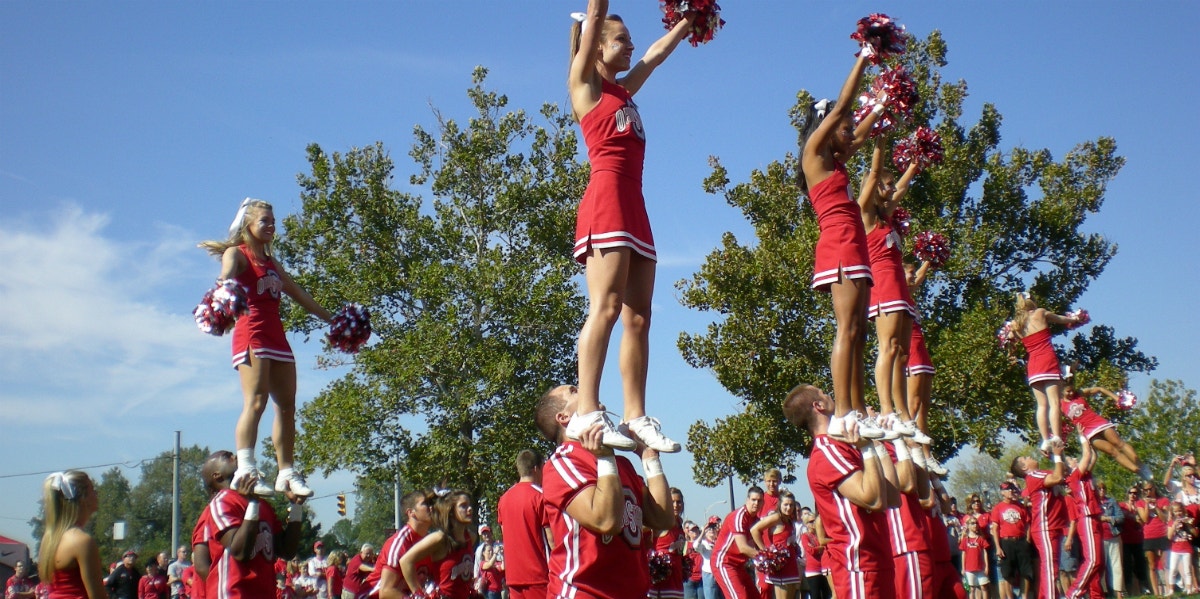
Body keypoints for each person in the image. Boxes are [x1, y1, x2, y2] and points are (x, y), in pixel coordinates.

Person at [564, 0, 698, 453]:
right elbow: (596, 12)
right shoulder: (585, 86)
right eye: (621, 39)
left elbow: (656, 55)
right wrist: (596, 15)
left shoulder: (625, 90)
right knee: (607, 306)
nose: (631, 45)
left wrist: (688, 22)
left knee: (638, 318)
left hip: (636, 205)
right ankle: (586, 408)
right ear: (595, 44)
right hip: (605, 202)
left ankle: (636, 415)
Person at [199, 198, 335, 497]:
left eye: (273, 221)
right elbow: (225, 275)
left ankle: (286, 472)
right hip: (251, 334)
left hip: (277, 337)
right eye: (265, 221)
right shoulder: (238, 254)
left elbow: (298, 292)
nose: (271, 226)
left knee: (287, 406)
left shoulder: (272, 263)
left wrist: (332, 319)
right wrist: (223, 287)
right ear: (248, 224)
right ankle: (246, 466)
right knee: (256, 401)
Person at [796, 39, 890, 442]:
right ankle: (844, 410)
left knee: (859, 333)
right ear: (827, 127)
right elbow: (842, 108)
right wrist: (864, 58)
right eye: (844, 127)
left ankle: (858, 406)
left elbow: (859, 135)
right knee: (846, 328)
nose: (850, 132)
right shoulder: (814, 153)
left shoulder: (835, 160)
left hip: (854, 246)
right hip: (837, 247)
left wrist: (882, 107)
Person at [536, 383, 676, 599]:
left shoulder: (621, 464)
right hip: (585, 593)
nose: (584, 388)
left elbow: (663, 518)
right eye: (573, 390)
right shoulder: (563, 461)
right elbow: (604, 521)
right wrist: (605, 458)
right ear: (564, 418)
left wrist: (649, 457)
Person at [782, 383, 897, 598]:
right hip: (859, 565)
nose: (830, 395)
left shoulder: (842, 445)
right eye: (824, 393)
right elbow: (873, 499)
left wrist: (876, 444)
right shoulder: (827, 451)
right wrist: (866, 448)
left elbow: (892, 497)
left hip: (877, 560)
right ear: (819, 405)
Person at [858, 143, 928, 442]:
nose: (890, 188)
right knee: (887, 347)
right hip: (884, 287)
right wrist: (880, 142)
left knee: (900, 352)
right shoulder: (867, 215)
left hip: (900, 287)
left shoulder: (887, 218)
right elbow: (876, 177)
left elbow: (899, 190)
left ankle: (901, 414)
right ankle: (886, 409)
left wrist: (914, 165)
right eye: (885, 185)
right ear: (875, 188)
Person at [201, 449, 304, 599]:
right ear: (217, 475)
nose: (235, 456)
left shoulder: (263, 505)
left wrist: (296, 506)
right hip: (234, 593)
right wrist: (252, 504)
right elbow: (240, 552)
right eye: (227, 457)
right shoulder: (222, 502)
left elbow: (287, 551)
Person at [1007, 292, 1085, 452]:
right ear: (1033, 302)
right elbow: (1061, 319)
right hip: (1047, 361)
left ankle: (1044, 439)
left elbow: (1009, 342)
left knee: (1041, 405)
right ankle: (1056, 436)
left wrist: (1011, 353)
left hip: (1033, 366)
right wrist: (1075, 319)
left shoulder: (1015, 324)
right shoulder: (1040, 312)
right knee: (1054, 403)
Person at [1060, 367, 1151, 477]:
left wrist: (1115, 398)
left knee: (1119, 444)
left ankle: (1141, 466)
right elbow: (1059, 422)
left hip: (1098, 422)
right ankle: (1138, 471)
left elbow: (1099, 389)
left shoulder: (1079, 393)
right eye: (1068, 391)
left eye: (1072, 390)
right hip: (1087, 432)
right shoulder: (1060, 405)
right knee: (1112, 451)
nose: (1071, 393)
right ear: (1061, 391)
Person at [903, 260, 948, 475]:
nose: (913, 277)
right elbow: (917, 279)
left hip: (921, 346)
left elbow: (918, 278)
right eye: (908, 273)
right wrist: (928, 259)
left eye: (913, 272)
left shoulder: (909, 292)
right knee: (913, 404)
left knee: (924, 405)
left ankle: (927, 454)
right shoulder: (900, 290)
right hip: (910, 348)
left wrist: (929, 260)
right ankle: (908, 449)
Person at [1011, 441, 1068, 599]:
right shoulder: (1033, 476)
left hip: (1052, 526)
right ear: (1024, 467)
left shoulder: (1040, 473)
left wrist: (1056, 455)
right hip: (1045, 527)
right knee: (1051, 568)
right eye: (1026, 458)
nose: (1030, 456)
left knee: (1050, 567)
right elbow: (1057, 477)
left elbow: (1062, 473)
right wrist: (1056, 455)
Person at [37, 471, 105, 599]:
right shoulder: (81, 541)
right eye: (92, 490)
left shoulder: (50, 539)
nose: (96, 494)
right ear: (82, 498)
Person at [495, 449, 548, 599]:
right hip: (539, 575)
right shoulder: (540, 496)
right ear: (536, 468)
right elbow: (552, 538)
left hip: (514, 576)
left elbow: (505, 536)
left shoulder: (504, 499)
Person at [364, 490, 434, 598]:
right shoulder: (400, 542)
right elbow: (386, 591)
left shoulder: (431, 542)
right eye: (425, 504)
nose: (431, 507)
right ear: (411, 512)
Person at [1064, 437, 1104, 599]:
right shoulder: (1074, 476)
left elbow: (1092, 457)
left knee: (1098, 561)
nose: (1075, 459)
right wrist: (1082, 437)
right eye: (1072, 459)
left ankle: (1096, 595)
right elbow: (1086, 455)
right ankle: (1073, 593)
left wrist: (1092, 440)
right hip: (1085, 517)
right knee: (1092, 559)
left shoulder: (1084, 474)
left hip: (1094, 517)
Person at [749, 490, 801, 599]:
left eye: (791, 505)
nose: (788, 507)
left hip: (791, 562)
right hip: (781, 565)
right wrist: (765, 552)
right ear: (780, 504)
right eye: (785, 504)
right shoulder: (777, 517)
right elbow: (754, 530)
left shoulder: (789, 520)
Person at [990, 481, 1033, 599]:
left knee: (1025, 572)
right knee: (1008, 573)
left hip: (1021, 541)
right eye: (1008, 489)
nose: (1011, 491)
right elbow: (995, 528)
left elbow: (1028, 524)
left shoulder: (1020, 507)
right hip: (1006, 542)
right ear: (1002, 492)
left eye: (1012, 489)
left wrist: (1028, 540)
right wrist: (998, 547)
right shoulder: (998, 508)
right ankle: (1010, 597)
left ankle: (1024, 597)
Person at [649, 488, 687, 599]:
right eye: (672, 502)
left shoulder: (679, 523)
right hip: (662, 579)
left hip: (676, 575)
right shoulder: (660, 521)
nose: (675, 505)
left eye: (678, 502)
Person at [1136, 481, 1170, 596]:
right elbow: (1145, 519)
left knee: (1165, 563)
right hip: (1149, 536)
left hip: (1162, 534)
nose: (1148, 492)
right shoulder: (1140, 503)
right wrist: (1147, 505)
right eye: (1145, 490)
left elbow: (1165, 518)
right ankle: (1156, 593)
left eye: (1150, 489)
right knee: (1152, 565)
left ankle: (1168, 589)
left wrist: (1156, 508)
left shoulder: (1163, 500)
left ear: (1154, 488)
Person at [1096, 481, 1127, 599]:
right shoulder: (1092, 503)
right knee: (1101, 566)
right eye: (1099, 489)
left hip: (1113, 536)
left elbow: (1120, 518)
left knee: (1116, 565)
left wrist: (1107, 518)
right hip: (1100, 538)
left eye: (1103, 489)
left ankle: (1118, 592)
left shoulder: (1111, 501)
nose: (1102, 491)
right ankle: (1103, 592)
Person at [1165, 501, 1198, 594]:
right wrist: (1175, 525)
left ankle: (1189, 589)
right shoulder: (1171, 522)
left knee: (1187, 570)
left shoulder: (1187, 520)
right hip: (1175, 549)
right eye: (1175, 511)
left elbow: (1195, 533)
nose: (1178, 513)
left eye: (1180, 511)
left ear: (1183, 511)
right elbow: (1169, 536)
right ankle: (1171, 590)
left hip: (1186, 548)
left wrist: (1187, 524)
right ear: (1172, 513)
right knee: (1173, 569)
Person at [798, 513, 831, 599]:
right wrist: (821, 547)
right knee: (815, 595)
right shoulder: (805, 536)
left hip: (823, 568)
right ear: (806, 524)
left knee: (826, 594)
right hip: (812, 570)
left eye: (815, 521)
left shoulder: (819, 535)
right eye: (811, 521)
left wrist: (819, 547)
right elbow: (810, 550)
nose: (814, 523)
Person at [960, 517, 990, 599]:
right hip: (969, 568)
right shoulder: (965, 540)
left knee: (984, 587)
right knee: (971, 589)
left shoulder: (981, 539)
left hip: (981, 568)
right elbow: (963, 554)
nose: (975, 525)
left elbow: (985, 553)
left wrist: (987, 566)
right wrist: (963, 568)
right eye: (972, 523)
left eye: (976, 523)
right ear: (968, 526)